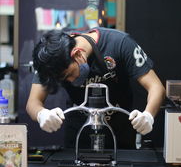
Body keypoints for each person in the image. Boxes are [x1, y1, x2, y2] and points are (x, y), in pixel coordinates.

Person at [26, 27, 165, 149]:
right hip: (79, 131)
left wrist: (148, 115)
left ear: (77, 54)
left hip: (119, 129)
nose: (70, 81)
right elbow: (33, 103)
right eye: (64, 79)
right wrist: (41, 114)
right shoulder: (49, 60)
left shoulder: (120, 43)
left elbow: (156, 87)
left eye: (69, 74)